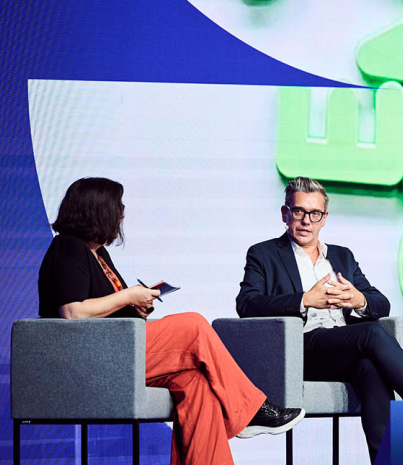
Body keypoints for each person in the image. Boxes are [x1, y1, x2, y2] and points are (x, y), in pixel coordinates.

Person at [37, 177, 304, 465]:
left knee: (196, 384)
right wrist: (128, 296)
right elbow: (73, 312)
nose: (122, 214)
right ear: (98, 209)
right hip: (92, 360)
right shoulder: (68, 247)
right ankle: (250, 408)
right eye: (118, 206)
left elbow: (107, 309)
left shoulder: (99, 253)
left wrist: (136, 307)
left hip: (119, 352)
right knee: (193, 325)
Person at [236, 176, 403, 463]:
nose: (306, 221)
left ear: (324, 218)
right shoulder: (264, 254)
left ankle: (386, 460)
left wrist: (358, 300)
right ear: (285, 213)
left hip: (342, 349)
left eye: (315, 214)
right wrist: (304, 300)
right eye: (298, 211)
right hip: (300, 349)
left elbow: (381, 303)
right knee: (370, 333)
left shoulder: (342, 256)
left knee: (371, 369)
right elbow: (246, 304)